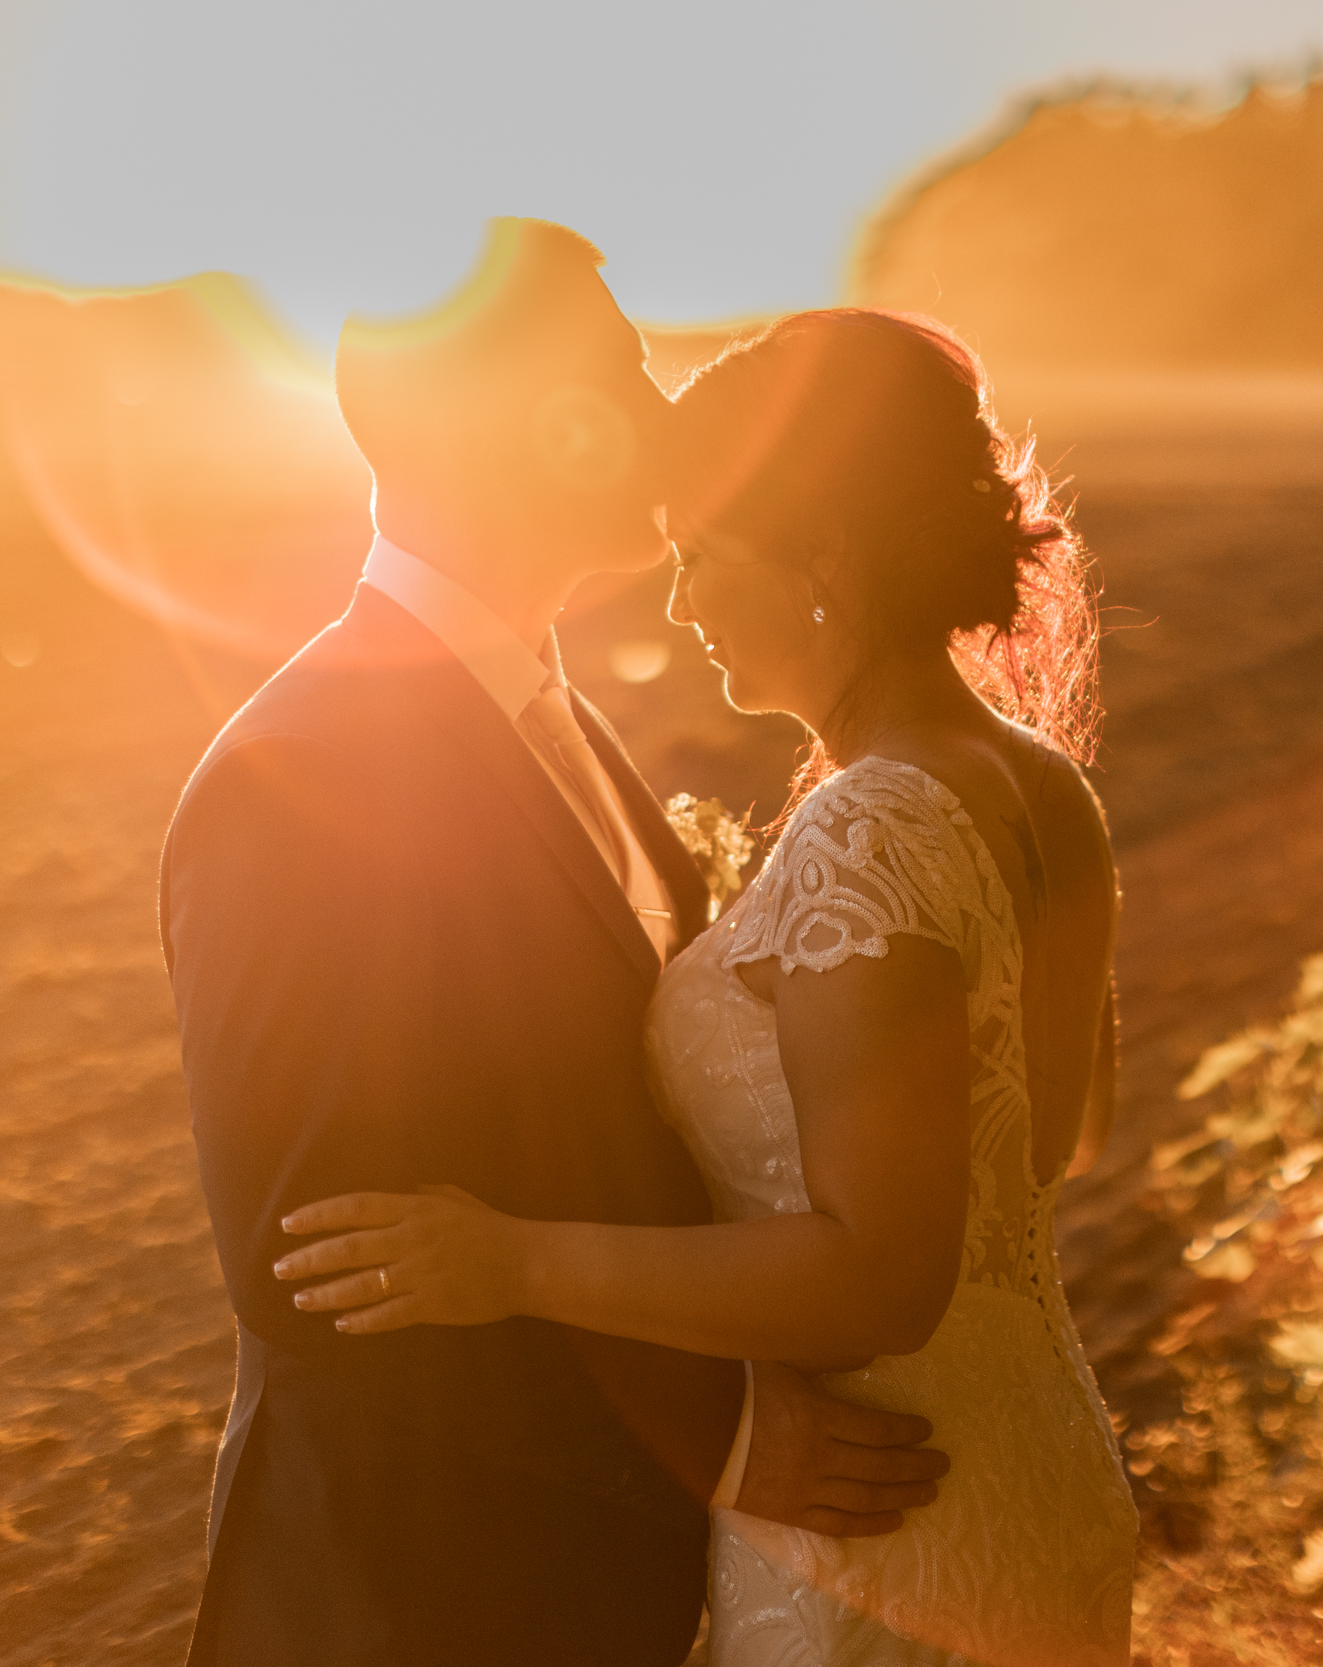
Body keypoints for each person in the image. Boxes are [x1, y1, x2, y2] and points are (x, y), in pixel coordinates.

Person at [277, 308, 1140, 1665]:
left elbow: (877, 1284)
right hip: (1032, 1460)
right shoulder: (1042, 788)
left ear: (824, 565)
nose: (677, 604)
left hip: (889, 1520)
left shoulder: (873, 827)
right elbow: (1059, 1139)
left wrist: (511, 1257)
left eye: (700, 558)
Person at [161, 224, 950, 1667]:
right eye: (624, 377)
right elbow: (319, 1278)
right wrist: (717, 1440)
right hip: (413, 1606)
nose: (660, 422)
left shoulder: (564, 729)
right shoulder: (297, 782)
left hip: (600, 1596)